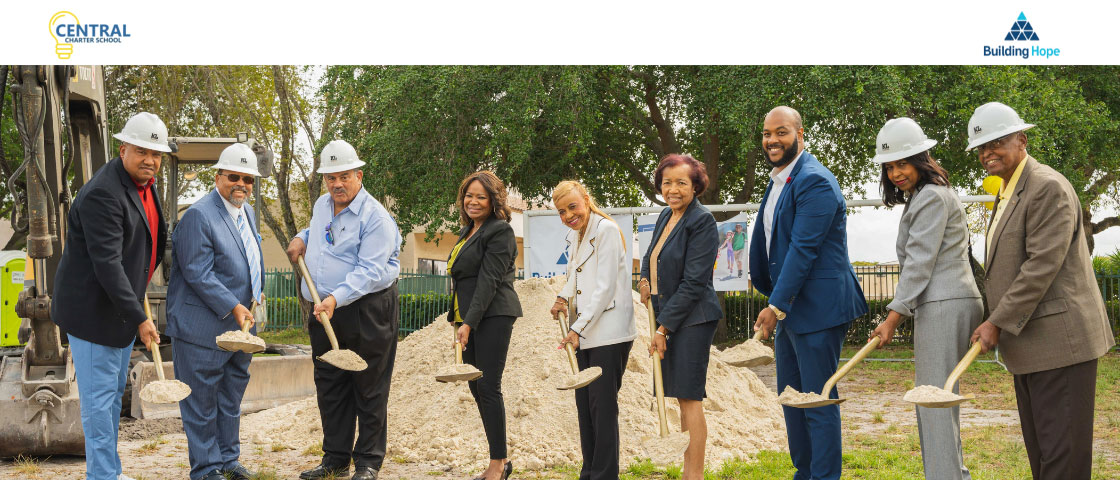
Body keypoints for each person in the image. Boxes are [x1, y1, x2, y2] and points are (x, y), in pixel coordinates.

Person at [966, 102, 1115, 480]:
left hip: (1060, 345)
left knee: (1061, 460)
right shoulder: (1008, 191)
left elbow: (1040, 267)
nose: (987, 154)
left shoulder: (1046, 186)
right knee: (1044, 455)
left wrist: (995, 322)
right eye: (981, 148)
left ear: (1022, 139)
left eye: (996, 142)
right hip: (1032, 346)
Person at [748, 106, 868, 480]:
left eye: (781, 132)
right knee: (791, 398)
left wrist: (775, 305)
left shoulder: (814, 180)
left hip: (818, 309)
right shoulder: (779, 179)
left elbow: (804, 249)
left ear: (801, 135)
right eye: (767, 134)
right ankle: (805, 473)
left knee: (816, 400)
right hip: (791, 309)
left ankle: (824, 476)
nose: (772, 140)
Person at [51, 112, 169, 480]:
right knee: (99, 406)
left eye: (156, 153)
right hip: (93, 316)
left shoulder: (144, 186)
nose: (150, 160)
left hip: (117, 311)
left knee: (112, 394)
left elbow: (145, 245)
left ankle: (110, 472)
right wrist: (140, 317)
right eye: (142, 151)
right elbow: (108, 266)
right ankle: (102, 476)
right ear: (123, 150)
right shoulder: (104, 192)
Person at [867, 118, 981, 480]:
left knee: (932, 401)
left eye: (903, 163)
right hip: (949, 299)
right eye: (889, 166)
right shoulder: (926, 195)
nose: (896, 172)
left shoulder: (931, 196)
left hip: (945, 301)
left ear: (922, 159)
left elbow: (919, 265)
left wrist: (891, 318)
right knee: (941, 398)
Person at [286, 140, 402, 480]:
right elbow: (321, 234)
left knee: (368, 383)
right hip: (325, 309)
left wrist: (335, 298)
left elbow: (368, 272)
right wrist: (301, 236)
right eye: (330, 177)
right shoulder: (323, 205)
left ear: (358, 175)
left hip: (367, 308)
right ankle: (334, 459)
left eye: (344, 176)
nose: (337, 184)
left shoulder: (376, 218)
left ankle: (367, 462)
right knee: (330, 383)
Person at [166, 143, 264, 480]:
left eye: (248, 179)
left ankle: (227, 460)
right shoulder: (199, 215)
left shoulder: (246, 213)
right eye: (234, 177)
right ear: (218, 176)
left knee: (230, 397)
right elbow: (196, 271)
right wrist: (234, 306)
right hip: (201, 328)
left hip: (241, 330)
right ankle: (206, 469)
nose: (241, 184)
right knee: (201, 401)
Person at [637, 154, 722, 480]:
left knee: (689, 397)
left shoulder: (701, 221)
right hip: (670, 316)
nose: (672, 189)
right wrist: (643, 280)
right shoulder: (665, 216)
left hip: (693, 319)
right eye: (667, 182)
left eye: (681, 183)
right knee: (681, 395)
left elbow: (694, 282)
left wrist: (662, 327)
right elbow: (650, 257)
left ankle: (694, 475)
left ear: (696, 185)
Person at [548, 180, 637, 480]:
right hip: (586, 333)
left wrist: (577, 328)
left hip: (609, 332)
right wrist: (562, 297)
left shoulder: (607, 230)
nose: (568, 216)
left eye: (572, 207)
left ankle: (604, 475)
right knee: (585, 407)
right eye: (562, 212)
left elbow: (605, 287)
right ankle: (589, 473)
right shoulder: (578, 234)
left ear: (586, 200)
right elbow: (575, 273)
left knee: (602, 408)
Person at [445, 170, 523, 480]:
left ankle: (498, 464)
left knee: (489, 386)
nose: (473, 201)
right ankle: (498, 460)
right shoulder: (468, 232)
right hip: (472, 317)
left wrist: (469, 322)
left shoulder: (499, 231)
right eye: (469, 195)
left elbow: (489, 280)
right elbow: (463, 280)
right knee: (477, 386)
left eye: (481, 196)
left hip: (493, 315)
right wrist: (459, 320)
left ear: (493, 201)